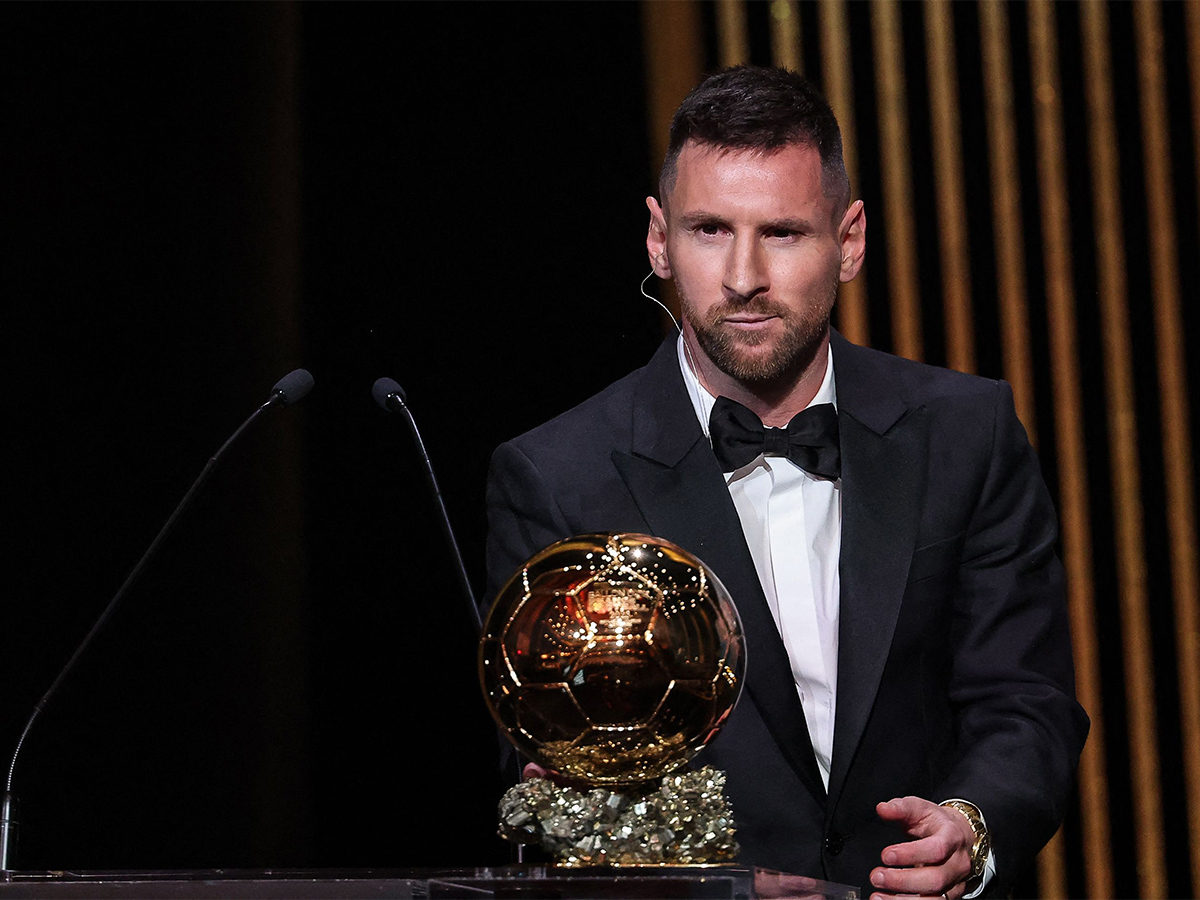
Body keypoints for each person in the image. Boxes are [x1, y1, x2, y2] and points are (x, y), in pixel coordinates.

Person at [484, 66, 1087, 899]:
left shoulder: (966, 432)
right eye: (708, 230)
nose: (742, 277)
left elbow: (1027, 699)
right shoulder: (556, 477)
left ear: (850, 240)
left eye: (783, 233)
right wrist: (702, 888)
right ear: (658, 240)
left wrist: (971, 827)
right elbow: (544, 779)